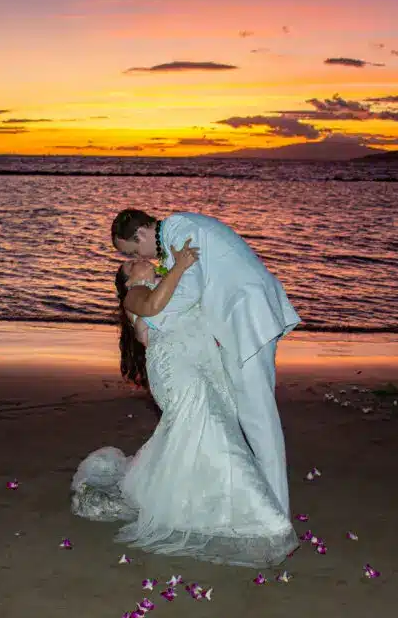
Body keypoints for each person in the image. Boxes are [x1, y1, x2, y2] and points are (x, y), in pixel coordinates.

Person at [70, 242, 298, 568]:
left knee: (213, 430)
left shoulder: (169, 283)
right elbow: (152, 305)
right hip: (177, 368)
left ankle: (209, 499)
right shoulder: (134, 294)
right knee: (213, 428)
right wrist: (179, 266)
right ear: (127, 280)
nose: (137, 262)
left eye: (135, 258)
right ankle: (262, 518)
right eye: (130, 265)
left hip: (203, 360)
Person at [110, 209, 300, 516]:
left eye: (133, 251)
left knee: (257, 415)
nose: (140, 257)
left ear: (142, 234)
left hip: (246, 317)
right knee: (241, 414)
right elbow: (181, 292)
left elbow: (189, 292)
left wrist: (153, 318)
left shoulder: (180, 230)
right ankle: (256, 496)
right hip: (230, 328)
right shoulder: (173, 242)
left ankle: (276, 506)